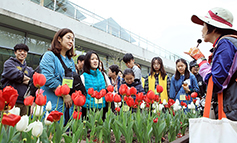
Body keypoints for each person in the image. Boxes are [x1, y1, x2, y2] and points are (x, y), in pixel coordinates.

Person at [185, 7, 237, 120]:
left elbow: (216, 83)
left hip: (231, 113)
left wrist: (200, 60)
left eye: (204, 25)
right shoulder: (228, 43)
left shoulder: (225, 43)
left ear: (213, 28)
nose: (202, 30)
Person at [40, 28, 77, 123]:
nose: (71, 41)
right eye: (68, 38)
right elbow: (48, 78)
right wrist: (64, 94)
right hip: (52, 102)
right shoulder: (49, 56)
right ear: (59, 39)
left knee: (63, 133)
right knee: (51, 132)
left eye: (72, 40)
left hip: (67, 104)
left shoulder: (70, 61)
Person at [1, 44, 34, 116]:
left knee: (22, 125)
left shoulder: (29, 69)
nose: (22, 53)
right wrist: (27, 80)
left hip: (24, 103)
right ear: (15, 53)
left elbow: (34, 83)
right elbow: (16, 75)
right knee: (8, 124)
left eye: (25, 51)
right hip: (10, 102)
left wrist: (22, 79)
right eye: (20, 51)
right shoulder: (9, 63)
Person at [80, 51, 109, 120]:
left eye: (96, 59)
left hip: (102, 107)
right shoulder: (83, 76)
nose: (95, 61)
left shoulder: (103, 75)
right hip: (88, 108)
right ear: (87, 61)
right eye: (92, 59)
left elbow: (110, 88)